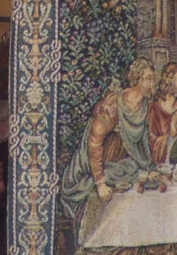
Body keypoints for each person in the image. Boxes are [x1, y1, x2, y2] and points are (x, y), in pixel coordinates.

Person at [60, 59, 159, 215]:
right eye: (148, 79)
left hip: (118, 160)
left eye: (153, 79)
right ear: (136, 80)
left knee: (132, 169)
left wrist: (149, 167)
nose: (152, 84)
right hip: (94, 162)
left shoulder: (144, 106)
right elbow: (95, 142)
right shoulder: (115, 104)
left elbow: (142, 142)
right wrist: (100, 183)